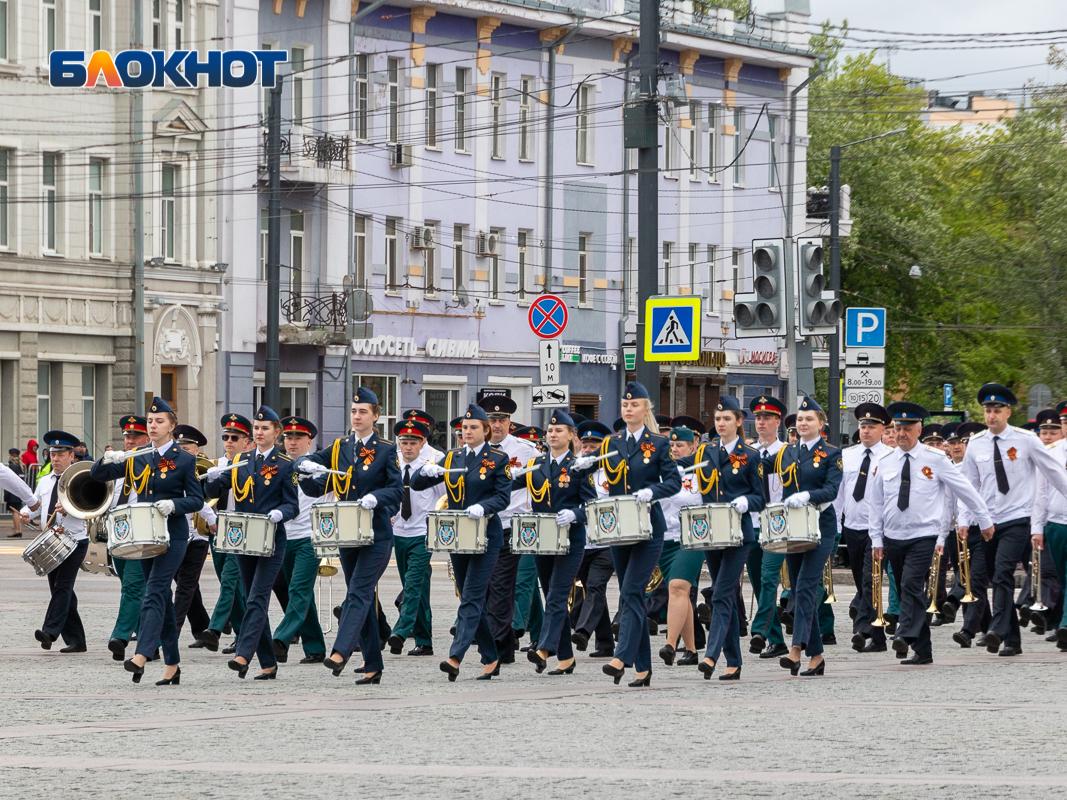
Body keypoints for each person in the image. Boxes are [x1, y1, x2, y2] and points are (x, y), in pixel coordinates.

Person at [91, 398, 204, 684]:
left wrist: (175, 505)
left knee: (155, 588)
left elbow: (196, 499)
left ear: (172, 426)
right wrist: (108, 459)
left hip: (173, 536)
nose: (153, 426)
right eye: (151, 421)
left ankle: (142, 653)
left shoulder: (185, 459)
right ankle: (173, 665)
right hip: (143, 536)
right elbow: (97, 475)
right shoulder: (139, 456)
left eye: (160, 421)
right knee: (162, 598)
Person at [869, 402, 993, 664]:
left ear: (919, 428)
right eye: (898, 428)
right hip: (893, 536)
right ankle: (923, 650)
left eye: (908, 428)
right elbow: (876, 503)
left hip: (924, 535)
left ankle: (904, 633)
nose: (902, 433)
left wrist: (983, 519)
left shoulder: (935, 459)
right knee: (906, 591)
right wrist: (876, 538)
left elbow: (965, 490)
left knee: (911, 584)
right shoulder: (886, 461)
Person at [298, 387, 400, 685]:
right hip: (347, 532)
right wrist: (304, 470)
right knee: (362, 595)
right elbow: (314, 478)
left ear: (375, 416)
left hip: (377, 533)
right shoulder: (341, 446)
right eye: (354, 411)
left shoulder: (386, 448)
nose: (357, 416)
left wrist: (376, 498)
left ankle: (341, 650)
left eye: (363, 412)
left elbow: (396, 489)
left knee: (358, 590)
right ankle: (373, 664)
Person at [958, 383, 1067, 657]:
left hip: (1019, 517)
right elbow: (969, 486)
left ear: (1008, 412)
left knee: (1003, 572)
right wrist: (964, 519)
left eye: (997, 410)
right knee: (997, 577)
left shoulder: (1025, 440)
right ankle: (1012, 640)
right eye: (987, 410)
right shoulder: (977, 443)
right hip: (989, 521)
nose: (991, 415)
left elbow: (1053, 472)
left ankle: (997, 628)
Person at [411, 403, 512, 681]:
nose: (466, 432)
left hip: (486, 535)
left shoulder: (498, 459)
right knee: (470, 597)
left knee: (473, 596)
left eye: (473, 427)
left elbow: (503, 497)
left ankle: (455, 656)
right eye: (464, 428)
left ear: (486, 430)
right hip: (458, 535)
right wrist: (425, 472)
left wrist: (485, 507)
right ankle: (491, 658)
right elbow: (416, 484)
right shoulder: (452, 457)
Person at [204, 405, 297, 680]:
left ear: (276, 433)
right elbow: (215, 488)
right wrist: (209, 480)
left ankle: (243, 654)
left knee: (257, 597)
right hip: (244, 538)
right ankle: (268, 664)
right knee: (250, 598)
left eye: (265, 428)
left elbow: (293, 505)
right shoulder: (243, 460)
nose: (259, 432)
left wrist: (280, 513)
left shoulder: (284, 464)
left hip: (271, 540)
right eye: (256, 428)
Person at [598, 382, 681, 687]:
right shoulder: (611, 443)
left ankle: (621, 658)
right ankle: (643, 669)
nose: (629, 409)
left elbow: (673, 483)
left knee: (632, 590)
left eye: (634, 405)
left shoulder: (658, 444)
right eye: (625, 405)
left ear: (646, 409)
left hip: (648, 528)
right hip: (620, 526)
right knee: (629, 593)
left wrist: (652, 491)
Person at [518, 409, 596, 675]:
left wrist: (575, 513)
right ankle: (566, 657)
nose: (552, 434)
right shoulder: (537, 464)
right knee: (551, 593)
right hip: (542, 538)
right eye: (550, 431)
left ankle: (544, 647)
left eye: (559, 430)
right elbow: (508, 485)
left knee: (557, 594)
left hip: (570, 540)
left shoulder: (578, 466)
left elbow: (592, 504)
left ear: (571, 435)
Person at [692, 398, 764, 681]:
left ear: (738, 421)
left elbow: (761, 497)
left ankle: (711, 655)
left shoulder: (750, 455)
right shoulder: (705, 452)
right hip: (712, 532)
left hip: (738, 535)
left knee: (721, 593)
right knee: (727, 597)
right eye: (717, 418)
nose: (720, 423)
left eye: (726, 419)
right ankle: (734, 662)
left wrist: (747, 501)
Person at [773, 396, 842, 677]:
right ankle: (817, 656)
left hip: (821, 527)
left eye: (809, 419)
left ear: (821, 424)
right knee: (801, 588)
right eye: (800, 419)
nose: (803, 423)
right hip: (794, 528)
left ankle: (796, 649)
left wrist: (809, 497)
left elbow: (832, 490)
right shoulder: (788, 453)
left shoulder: (831, 454)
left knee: (805, 587)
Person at [478, 394, 539, 665]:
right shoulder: (477, 449)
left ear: (509, 422)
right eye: (492, 419)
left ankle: (502, 647)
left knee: (504, 586)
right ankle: (536, 633)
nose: (497, 424)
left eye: (502, 419)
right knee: (493, 587)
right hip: (483, 524)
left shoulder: (525, 450)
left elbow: (542, 480)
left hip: (514, 524)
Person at [192, 413, 253, 652]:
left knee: (229, 581)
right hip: (218, 527)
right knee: (232, 586)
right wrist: (209, 481)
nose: (229, 441)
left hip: (243, 526)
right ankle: (243, 634)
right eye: (226, 437)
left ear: (247, 442)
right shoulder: (216, 465)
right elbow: (204, 494)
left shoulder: (251, 464)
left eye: (234, 437)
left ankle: (214, 629)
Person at [836, 403, 893, 654]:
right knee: (861, 581)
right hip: (853, 525)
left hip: (877, 528)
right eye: (863, 426)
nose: (866, 430)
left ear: (883, 429)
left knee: (872, 578)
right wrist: (836, 523)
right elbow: (840, 493)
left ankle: (862, 629)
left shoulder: (890, 457)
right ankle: (878, 636)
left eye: (872, 426)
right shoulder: (847, 456)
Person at [270, 416, 327, 665]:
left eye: (298, 438)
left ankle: (281, 638)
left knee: (298, 590)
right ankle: (315, 647)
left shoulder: (318, 467)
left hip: (309, 537)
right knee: (300, 594)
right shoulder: (278, 465)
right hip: (284, 536)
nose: (292, 443)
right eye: (288, 437)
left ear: (309, 440)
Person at [23, 431, 85, 652]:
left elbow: (89, 508)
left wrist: (69, 508)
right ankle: (77, 641)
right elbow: (36, 504)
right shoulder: (45, 481)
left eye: (60, 454)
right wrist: (25, 513)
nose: (55, 459)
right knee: (61, 590)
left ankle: (49, 631)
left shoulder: (79, 479)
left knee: (63, 586)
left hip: (75, 539)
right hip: (51, 540)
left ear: (71, 456)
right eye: (52, 454)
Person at [387, 416, 444, 657]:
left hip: (423, 531)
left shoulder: (434, 462)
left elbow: (444, 497)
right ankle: (425, 641)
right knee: (417, 586)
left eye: (413, 442)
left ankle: (401, 630)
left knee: (412, 584)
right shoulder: (393, 461)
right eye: (403, 442)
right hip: (399, 531)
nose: (407, 447)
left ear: (422, 443)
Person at [657, 426, 704, 666]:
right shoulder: (662, 471)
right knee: (681, 593)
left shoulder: (700, 473)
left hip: (692, 538)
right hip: (665, 539)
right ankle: (692, 650)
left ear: (693, 446)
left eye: (680, 445)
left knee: (676, 587)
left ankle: (670, 644)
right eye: (672, 445)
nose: (675, 450)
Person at [570, 420, 617, 658]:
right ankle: (606, 643)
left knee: (596, 586)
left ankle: (583, 631)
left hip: (606, 541)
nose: (589, 449)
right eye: (585, 444)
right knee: (591, 589)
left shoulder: (613, 471)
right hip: (582, 542)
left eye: (595, 444)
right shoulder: (574, 471)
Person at [105, 414, 150, 661]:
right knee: (134, 588)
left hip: (142, 533)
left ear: (147, 438)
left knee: (133, 587)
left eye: (136, 436)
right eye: (127, 436)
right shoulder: (119, 465)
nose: (130, 441)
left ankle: (120, 636)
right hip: (118, 533)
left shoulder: (153, 463)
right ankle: (150, 638)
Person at [748, 395, 789, 660]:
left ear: (778, 422)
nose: (761, 422)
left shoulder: (787, 451)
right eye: (759, 417)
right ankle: (776, 639)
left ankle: (759, 630)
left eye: (767, 418)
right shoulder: (748, 452)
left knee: (768, 578)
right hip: (751, 521)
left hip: (777, 520)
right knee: (757, 581)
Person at [172, 424, 216, 644]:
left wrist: (211, 518)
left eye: (187, 447)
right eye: (180, 446)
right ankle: (203, 629)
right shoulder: (172, 467)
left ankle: (170, 632)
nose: (183, 450)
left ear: (196, 449)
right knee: (188, 586)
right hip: (177, 533)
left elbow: (201, 497)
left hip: (198, 535)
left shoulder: (205, 469)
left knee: (185, 586)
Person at [1030, 408, 1067, 649]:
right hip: (1057, 522)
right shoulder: (1052, 452)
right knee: (1063, 577)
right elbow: (1040, 492)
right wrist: (1037, 527)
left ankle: (1064, 624)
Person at [4, 447, 33, 539]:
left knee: (15, 512)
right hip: (18, 493)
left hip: (12, 493)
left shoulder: (12, 466)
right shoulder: (21, 466)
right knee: (17, 511)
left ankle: (17, 531)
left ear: (11, 455)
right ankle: (17, 529)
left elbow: (9, 481)